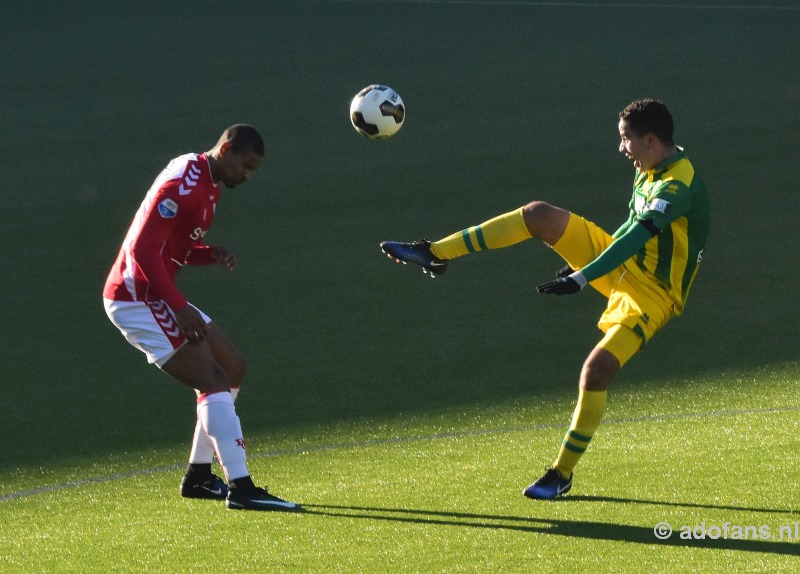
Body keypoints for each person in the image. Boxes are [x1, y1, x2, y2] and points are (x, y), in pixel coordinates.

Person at [380, 99, 709, 499]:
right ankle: (434, 253)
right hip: (622, 262)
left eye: (626, 140)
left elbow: (641, 235)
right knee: (539, 215)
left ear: (651, 140)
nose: (621, 148)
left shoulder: (677, 187)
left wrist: (584, 277)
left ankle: (561, 474)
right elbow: (628, 229)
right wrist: (588, 265)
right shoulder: (651, 167)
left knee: (596, 372)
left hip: (654, 295)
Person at [103, 124, 300, 511]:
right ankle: (241, 486)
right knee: (211, 379)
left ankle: (199, 476)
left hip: (154, 293)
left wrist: (208, 253)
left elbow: (174, 246)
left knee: (231, 366)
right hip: (136, 297)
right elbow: (143, 251)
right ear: (226, 149)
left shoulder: (208, 185)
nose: (248, 175)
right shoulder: (184, 182)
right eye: (246, 165)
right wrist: (179, 306)